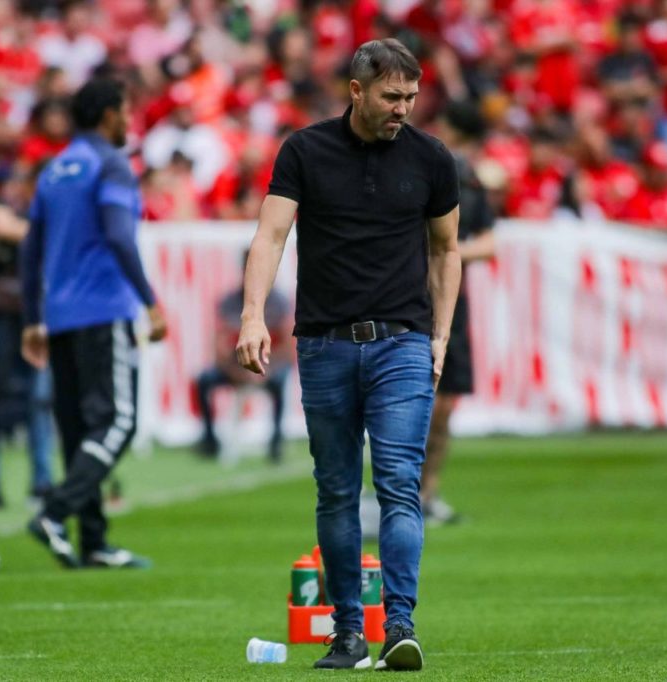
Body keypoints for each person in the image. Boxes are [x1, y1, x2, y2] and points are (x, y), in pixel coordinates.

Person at [236, 38, 460, 672]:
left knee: (398, 487)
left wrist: (439, 337)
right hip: (325, 345)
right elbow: (271, 233)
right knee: (335, 492)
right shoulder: (304, 151)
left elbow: (447, 250)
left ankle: (399, 626)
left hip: (403, 345)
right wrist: (253, 315)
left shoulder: (433, 159)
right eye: (392, 97)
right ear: (356, 91)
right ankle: (346, 633)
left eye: (412, 98)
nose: (403, 109)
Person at [21, 78, 168, 569]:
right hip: (103, 311)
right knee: (117, 422)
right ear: (108, 114)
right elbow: (119, 236)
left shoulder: (54, 170)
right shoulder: (111, 165)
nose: (130, 121)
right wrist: (149, 302)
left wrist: (31, 318)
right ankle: (54, 512)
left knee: (81, 429)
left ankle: (95, 542)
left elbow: (30, 249)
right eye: (126, 110)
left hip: (60, 317)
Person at [422, 101, 495, 525]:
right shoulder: (412, 173)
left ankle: (428, 493)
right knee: (407, 403)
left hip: (451, 302)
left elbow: (489, 243)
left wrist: (448, 252)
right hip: (409, 302)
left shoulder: (468, 180)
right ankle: (394, 495)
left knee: (444, 405)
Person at [0, 166, 54, 508]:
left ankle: (42, 480)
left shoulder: (34, 214)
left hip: (30, 317)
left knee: (39, 400)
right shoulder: (0, 211)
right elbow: (2, 225)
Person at [194, 255, 291, 462]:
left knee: (281, 380)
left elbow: (288, 350)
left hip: (267, 366)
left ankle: (276, 442)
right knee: (203, 380)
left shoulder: (280, 303)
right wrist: (240, 372)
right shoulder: (229, 302)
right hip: (236, 366)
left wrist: (264, 370)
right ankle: (209, 439)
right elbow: (219, 348)